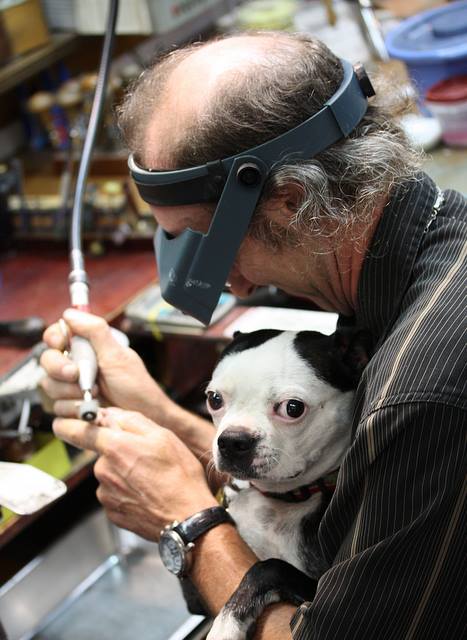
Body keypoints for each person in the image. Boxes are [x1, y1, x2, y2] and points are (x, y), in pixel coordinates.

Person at [40, 32, 466, 639]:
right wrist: (159, 414)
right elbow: (311, 474)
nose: (234, 285)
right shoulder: (434, 245)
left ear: (288, 201)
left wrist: (187, 519)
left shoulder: (420, 390)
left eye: (212, 245)